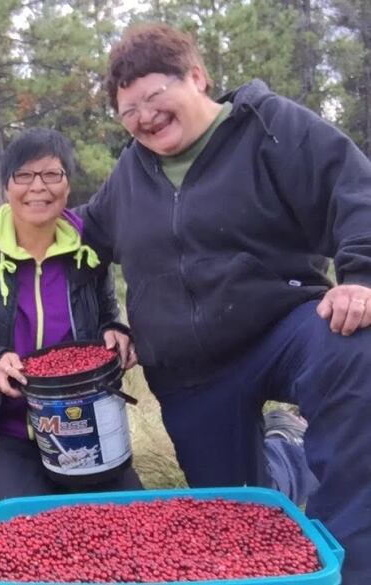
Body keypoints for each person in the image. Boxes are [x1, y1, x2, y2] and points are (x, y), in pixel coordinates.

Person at [80, 22, 371, 584]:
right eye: (128, 110)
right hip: (188, 368)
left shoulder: (270, 126)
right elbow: (82, 249)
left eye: (153, 97)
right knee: (241, 524)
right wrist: (108, 320)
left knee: (355, 345)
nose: (143, 117)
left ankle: (351, 565)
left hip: (280, 330)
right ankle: (286, 450)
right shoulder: (128, 174)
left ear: (196, 76)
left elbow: (353, 189)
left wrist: (360, 277)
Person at [0, 128, 142, 506]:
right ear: (6, 186)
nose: (37, 187)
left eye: (51, 174)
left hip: (85, 423)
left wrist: (115, 331)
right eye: (24, 176)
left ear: (68, 183)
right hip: (9, 428)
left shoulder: (88, 250)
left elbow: (107, 313)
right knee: (27, 538)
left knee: (132, 523)